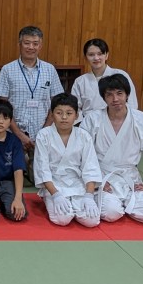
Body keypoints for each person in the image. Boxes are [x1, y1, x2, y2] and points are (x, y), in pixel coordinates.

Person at [0, 25, 63, 176]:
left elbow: (57, 103)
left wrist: (43, 132)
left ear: (40, 46)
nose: (31, 47)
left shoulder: (50, 69)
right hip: (13, 134)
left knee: (40, 177)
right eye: (27, 43)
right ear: (19, 44)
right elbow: (2, 106)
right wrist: (19, 135)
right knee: (11, 175)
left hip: (44, 133)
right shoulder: (7, 70)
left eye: (35, 43)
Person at [81, 74, 143, 223]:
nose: (115, 99)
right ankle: (119, 204)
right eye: (109, 95)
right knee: (112, 213)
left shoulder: (142, 120)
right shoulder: (92, 119)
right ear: (104, 98)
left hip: (131, 179)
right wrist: (95, 182)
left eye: (119, 93)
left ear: (127, 95)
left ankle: (129, 202)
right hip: (102, 177)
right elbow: (82, 154)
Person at [33, 93, 101, 227]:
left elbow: (90, 167)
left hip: (78, 184)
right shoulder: (44, 135)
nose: (64, 117)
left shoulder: (84, 136)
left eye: (69, 113)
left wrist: (89, 195)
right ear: (52, 114)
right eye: (59, 113)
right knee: (62, 219)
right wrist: (55, 195)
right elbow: (42, 169)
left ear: (76, 115)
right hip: (54, 184)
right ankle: (49, 198)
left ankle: (79, 203)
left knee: (91, 221)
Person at [71, 38, 138, 116]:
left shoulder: (120, 75)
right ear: (85, 57)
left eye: (100, 54)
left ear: (106, 55)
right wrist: (84, 122)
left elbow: (132, 104)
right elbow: (74, 108)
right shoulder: (80, 81)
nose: (96, 58)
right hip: (88, 121)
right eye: (91, 55)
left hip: (117, 120)